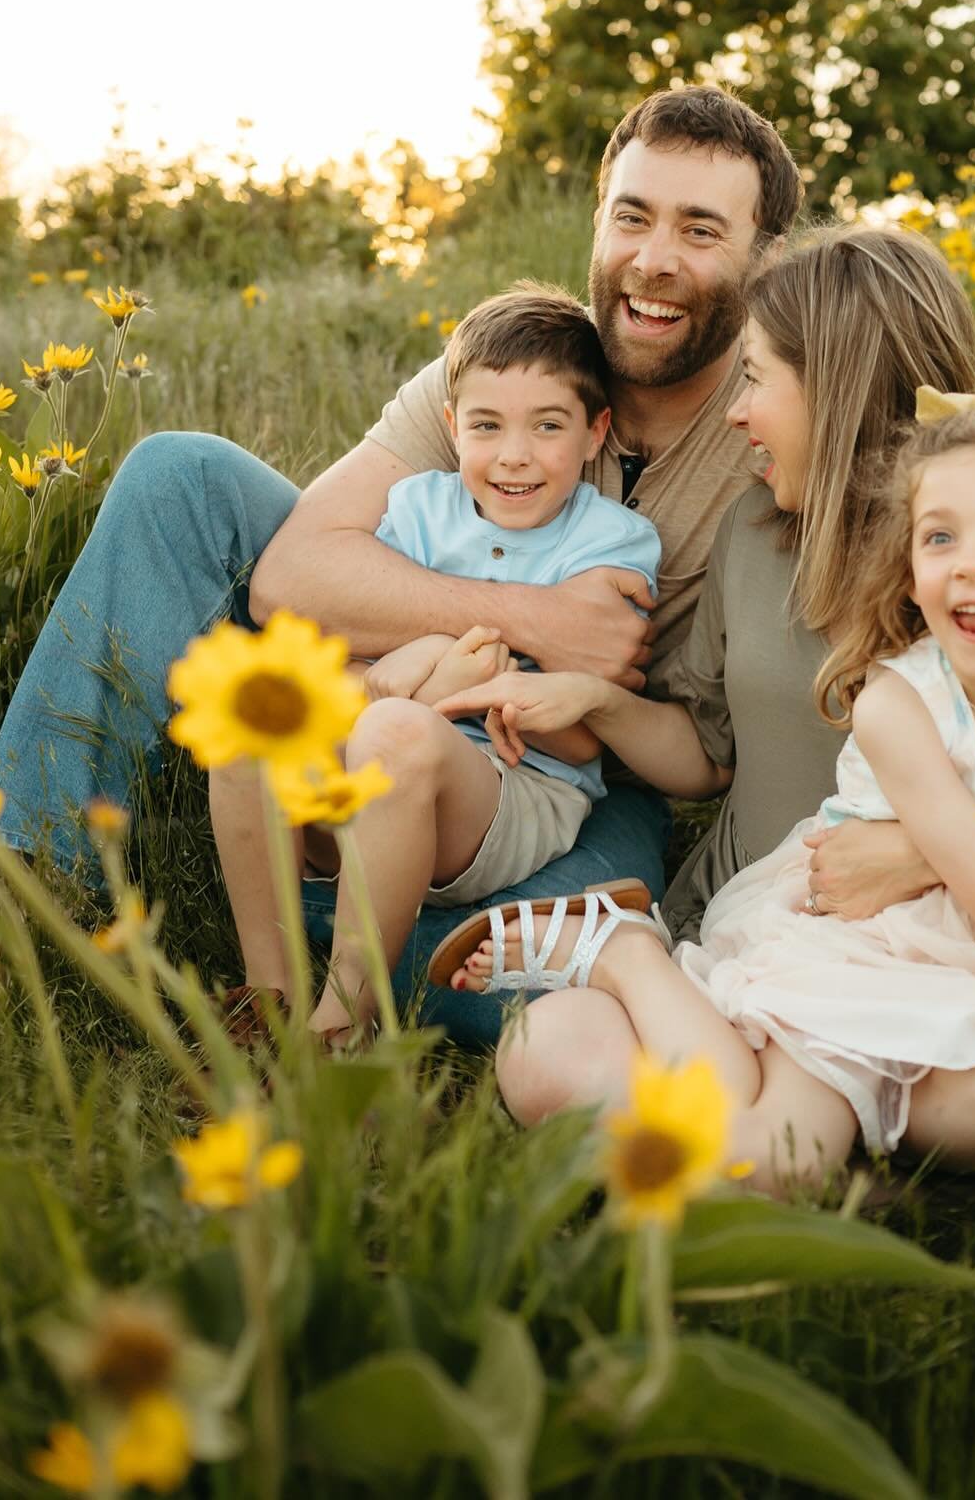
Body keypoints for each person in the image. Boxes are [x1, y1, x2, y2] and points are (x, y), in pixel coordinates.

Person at [0, 85, 804, 1049]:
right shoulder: (515, 361)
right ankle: (29, 904)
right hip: (395, 699)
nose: (653, 261)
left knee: (560, 981)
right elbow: (296, 576)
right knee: (179, 474)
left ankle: (322, 923)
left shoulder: (773, 411)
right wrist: (531, 619)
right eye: (632, 216)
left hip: (580, 775)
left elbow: (718, 737)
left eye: (700, 230)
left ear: (763, 258)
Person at [438, 395, 975, 1187]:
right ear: (908, 576)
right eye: (940, 539)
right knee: (773, 1161)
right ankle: (627, 953)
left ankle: (872, 1162)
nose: (972, 561)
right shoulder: (899, 707)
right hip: (868, 936)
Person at [207, 285, 662, 1041]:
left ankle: (345, 1025)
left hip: (519, 791)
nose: (514, 454)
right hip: (376, 758)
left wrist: (445, 677)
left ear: (595, 433)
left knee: (397, 733)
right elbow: (351, 659)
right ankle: (269, 993)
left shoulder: (611, 545)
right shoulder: (416, 509)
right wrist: (423, 659)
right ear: (452, 428)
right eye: (487, 425)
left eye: (547, 426)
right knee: (252, 720)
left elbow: (582, 739)